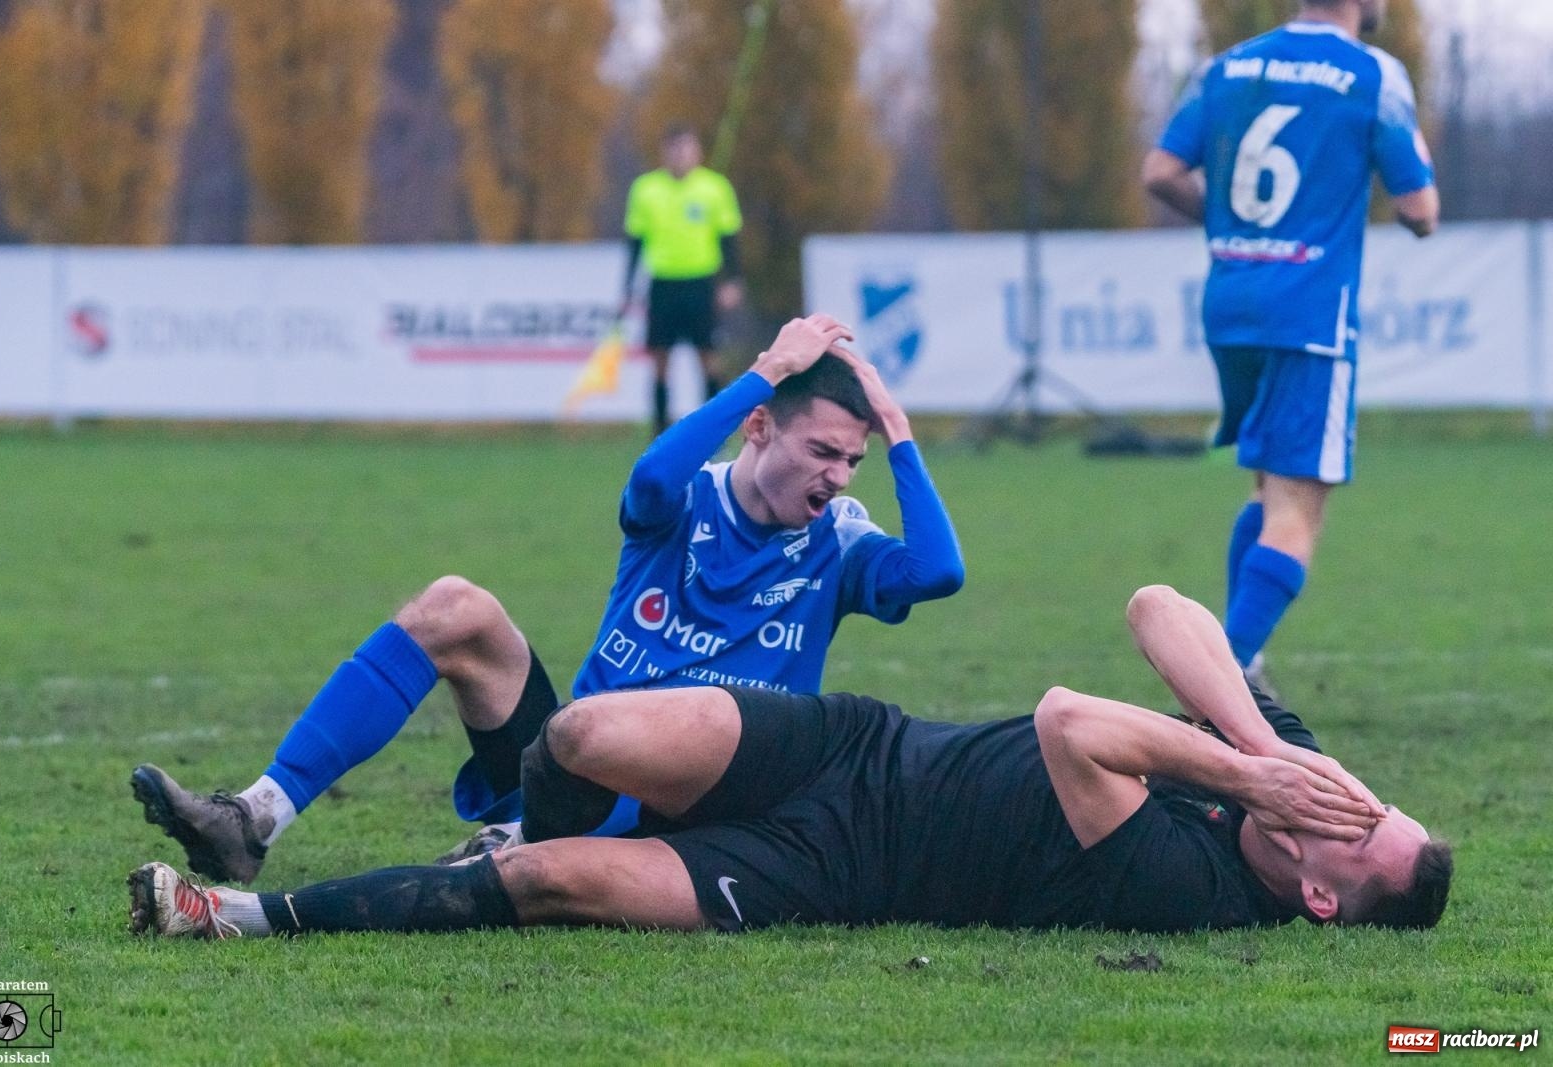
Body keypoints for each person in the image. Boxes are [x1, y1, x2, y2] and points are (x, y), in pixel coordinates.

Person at [130, 313, 964, 885]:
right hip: (569, 762)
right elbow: (647, 478)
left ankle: (525, 843)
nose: (838, 476)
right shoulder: (683, 498)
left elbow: (938, 570)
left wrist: (895, 427)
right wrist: (765, 371)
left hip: (695, 805)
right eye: (824, 450)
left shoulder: (840, 540)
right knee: (455, 605)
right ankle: (255, 819)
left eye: (850, 460)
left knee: (624, 740)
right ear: (757, 426)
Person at [128, 585, 1452, 940]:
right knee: (579, 735)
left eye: (1359, 828)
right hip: (855, 739)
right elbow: (1161, 606)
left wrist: (1244, 775)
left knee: (553, 884)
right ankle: (491, 820)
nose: (1348, 801)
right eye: (1375, 798)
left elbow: (1069, 719)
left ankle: (237, 912)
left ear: (1324, 893)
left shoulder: (1198, 889)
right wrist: (1272, 746)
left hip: (833, 863)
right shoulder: (1293, 780)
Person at [1141, 0, 1440, 680]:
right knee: (1297, 510)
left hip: (1231, 302)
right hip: (1311, 314)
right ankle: (1218, 680)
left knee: (1268, 487)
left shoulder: (1227, 66)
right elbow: (1419, 210)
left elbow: (1159, 171)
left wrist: (1221, 218)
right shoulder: (1374, 73)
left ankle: (1243, 660)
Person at [621, 123, 745, 435]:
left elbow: (728, 238)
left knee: (709, 358)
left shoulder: (714, 188)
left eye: (686, 148)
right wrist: (627, 286)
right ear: (664, 153)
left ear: (697, 152)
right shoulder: (646, 189)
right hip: (663, 283)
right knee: (660, 359)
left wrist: (733, 281)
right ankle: (660, 432)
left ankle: (712, 431)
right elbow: (636, 242)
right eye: (674, 149)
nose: (680, 156)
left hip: (701, 283)